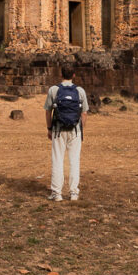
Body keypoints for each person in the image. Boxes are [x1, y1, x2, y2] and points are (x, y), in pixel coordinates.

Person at [44, 65, 89, 201]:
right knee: (74, 161)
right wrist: (81, 129)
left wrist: (49, 128)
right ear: (74, 75)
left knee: (57, 160)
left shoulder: (54, 90)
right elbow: (84, 113)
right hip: (75, 129)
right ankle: (73, 192)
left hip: (58, 129)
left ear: (61, 74)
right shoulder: (80, 91)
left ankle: (57, 193)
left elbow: (48, 111)